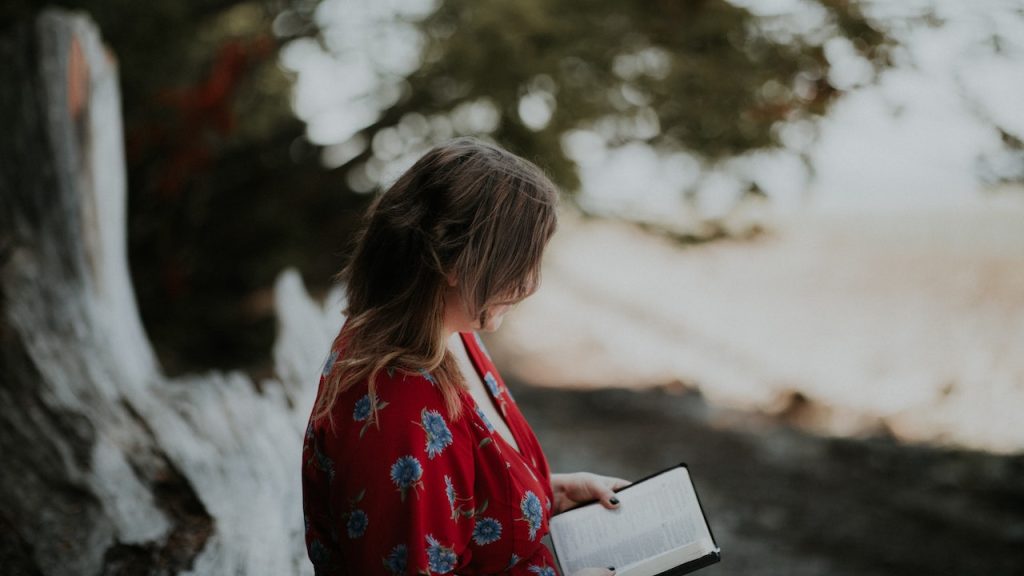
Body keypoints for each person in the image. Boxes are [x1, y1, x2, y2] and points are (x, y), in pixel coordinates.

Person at [301, 137, 628, 575]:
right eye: (518, 262)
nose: (531, 283)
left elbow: (458, 495)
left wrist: (549, 495)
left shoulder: (452, 333)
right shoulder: (401, 410)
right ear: (452, 263)